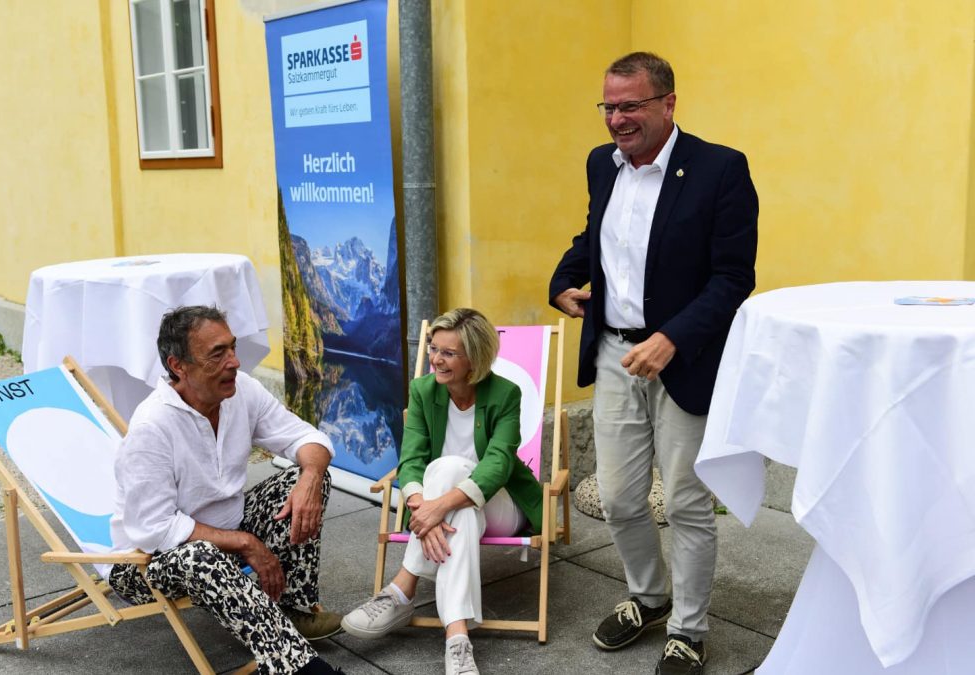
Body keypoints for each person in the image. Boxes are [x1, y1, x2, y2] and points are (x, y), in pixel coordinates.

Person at [549, 52, 758, 675]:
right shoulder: (601, 164)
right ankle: (649, 596)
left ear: (668, 103)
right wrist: (564, 280)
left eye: (630, 105)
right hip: (614, 352)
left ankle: (689, 630)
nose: (617, 119)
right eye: (609, 106)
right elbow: (597, 237)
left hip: (683, 359)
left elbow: (732, 277)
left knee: (689, 502)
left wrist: (673, 336)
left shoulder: (720, 169)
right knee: (617, 497)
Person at [107, 305, 345, 675]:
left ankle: (291, 608)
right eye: (217, 354)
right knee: (202, 555)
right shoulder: (152, 427)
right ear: (178, 365)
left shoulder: (241, 391)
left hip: (230, 530)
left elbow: (306, 437)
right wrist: (246, 544)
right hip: (146, 562)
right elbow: (154, 529)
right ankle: (294, 665)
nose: (233, 362)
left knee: (305, 477)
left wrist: (311, 478)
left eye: (231, 348)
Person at [340, 308, 544, 675]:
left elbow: (497, 464)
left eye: (449, 353)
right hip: (451, 510)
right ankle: (457, 639)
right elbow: (412, 458)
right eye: (434, 348)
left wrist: (432, 510)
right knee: (457, 507)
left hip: (503, 506)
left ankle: (402, 589)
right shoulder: (422, 391)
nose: (435, 359)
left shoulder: (505, 394)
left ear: (475, 359)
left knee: (448, 468)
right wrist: (426, 508)